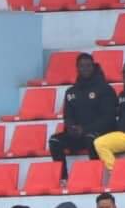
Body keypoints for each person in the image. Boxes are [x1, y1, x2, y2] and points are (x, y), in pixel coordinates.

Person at [50, 54, 119, 183]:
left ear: (93, 67)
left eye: (88, 65)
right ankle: (63, 179)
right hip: (78, 133)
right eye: (81, 66)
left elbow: (108, 118)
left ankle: (96, 177)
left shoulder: (105, 89)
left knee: (91, 138)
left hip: (101, 132)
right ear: (77, 68)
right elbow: (68, 115)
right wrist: (71, 128)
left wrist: (85, 129)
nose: (85, 68)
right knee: (54, 141)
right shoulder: (71, 91)